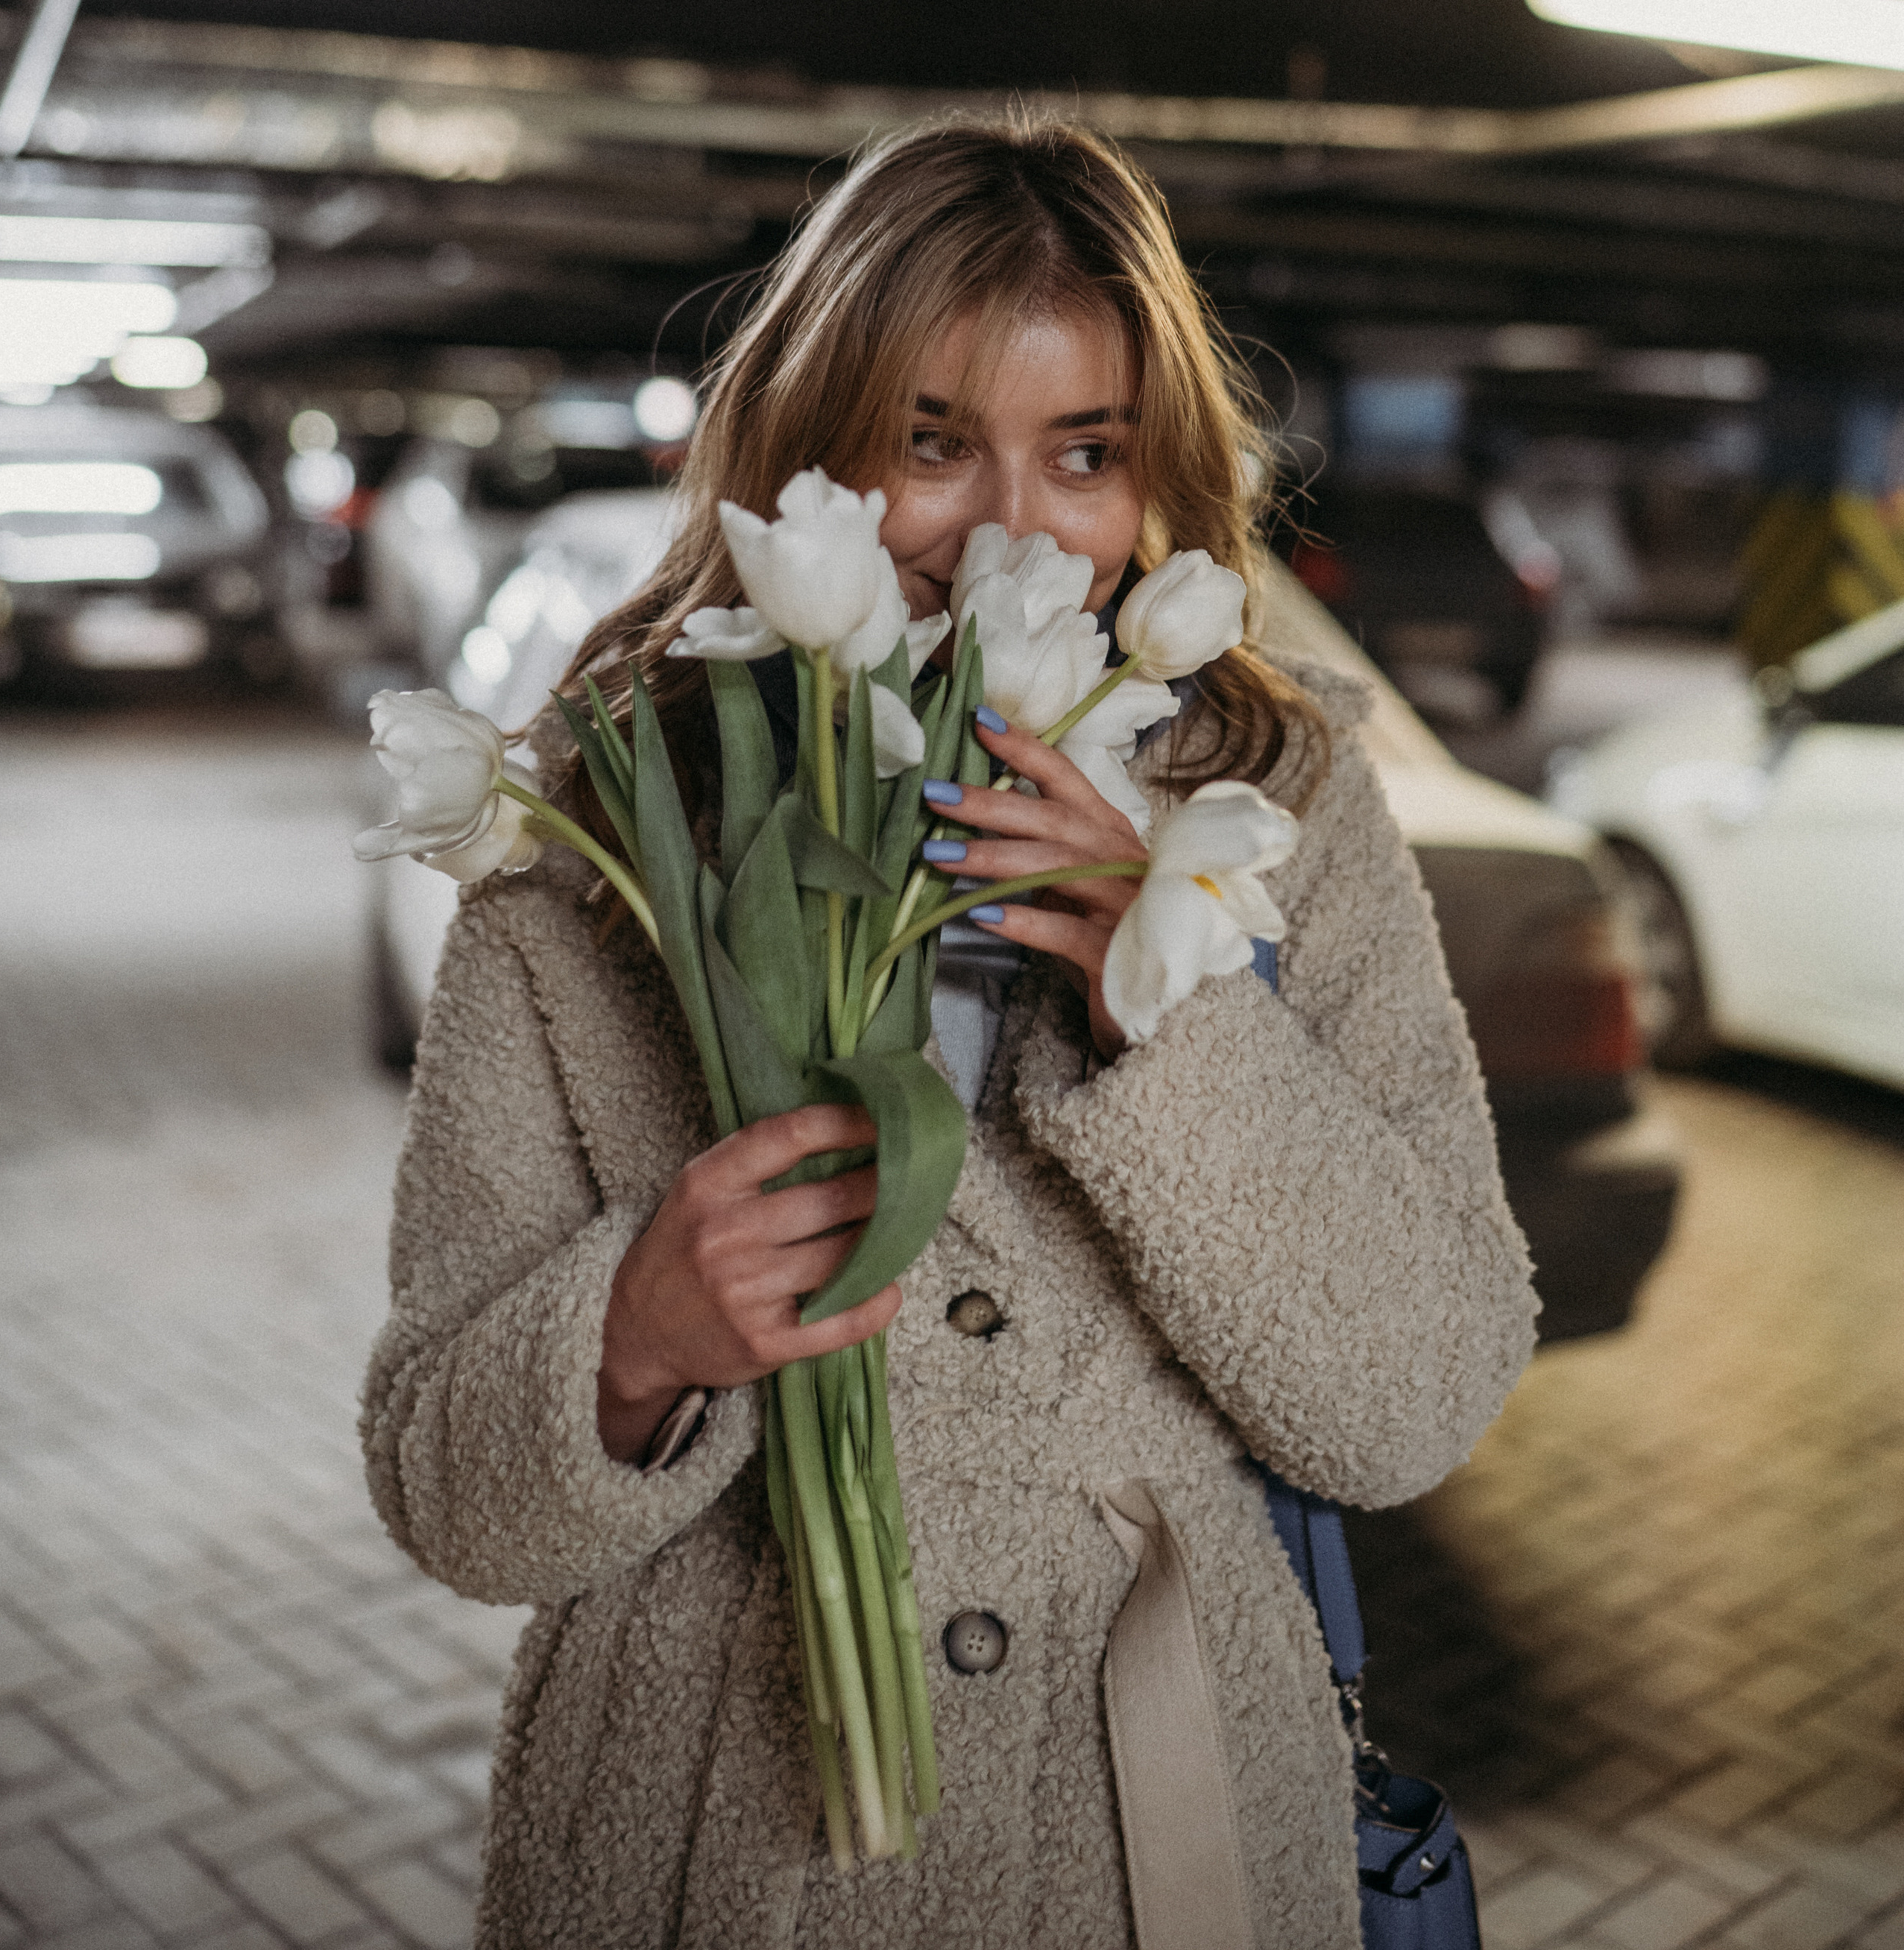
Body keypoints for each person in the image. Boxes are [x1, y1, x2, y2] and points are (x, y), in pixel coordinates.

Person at [362, 116, 1536, 1950]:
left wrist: (1165, 998)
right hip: (710, 1843)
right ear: (804, 457)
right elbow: (444, 1492)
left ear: (1155, 482)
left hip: (1162, 1826)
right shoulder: (598, 834)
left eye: (1084, 454)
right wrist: (632, 1336)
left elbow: (1416, 1403)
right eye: (929, 443)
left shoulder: (1283, 805)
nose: (1008, 532)